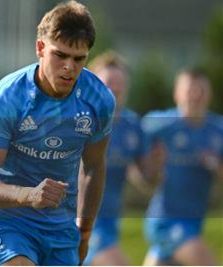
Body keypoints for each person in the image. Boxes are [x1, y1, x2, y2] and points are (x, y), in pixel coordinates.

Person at [0, 0, 116, 266]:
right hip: (5, 221)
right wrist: (28, 195)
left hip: (60, 227)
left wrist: (85, 230)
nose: (69, 67)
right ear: (40, 48)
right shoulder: (7, 99)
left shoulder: (99, 100)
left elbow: (93, 167)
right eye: (60, 55)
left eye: (78, 58)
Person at [142, 68, 223, 266]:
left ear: (209, 94)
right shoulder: (159, 125)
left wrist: (215, 165)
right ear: (177, 94)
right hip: (164, 220)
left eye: (201, 90)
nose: (195, 96)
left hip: (194, 222)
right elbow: (131, 153)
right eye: (189, 90)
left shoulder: (218, 130)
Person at [83, 52, 157, 265]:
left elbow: (145, 179)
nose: (115, 88)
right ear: (95, 86)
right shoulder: (80, 121)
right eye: (109, 82)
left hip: (110, 223)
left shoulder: (133, 125)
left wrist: (155, 166)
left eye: (120, 83)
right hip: (79, 222)